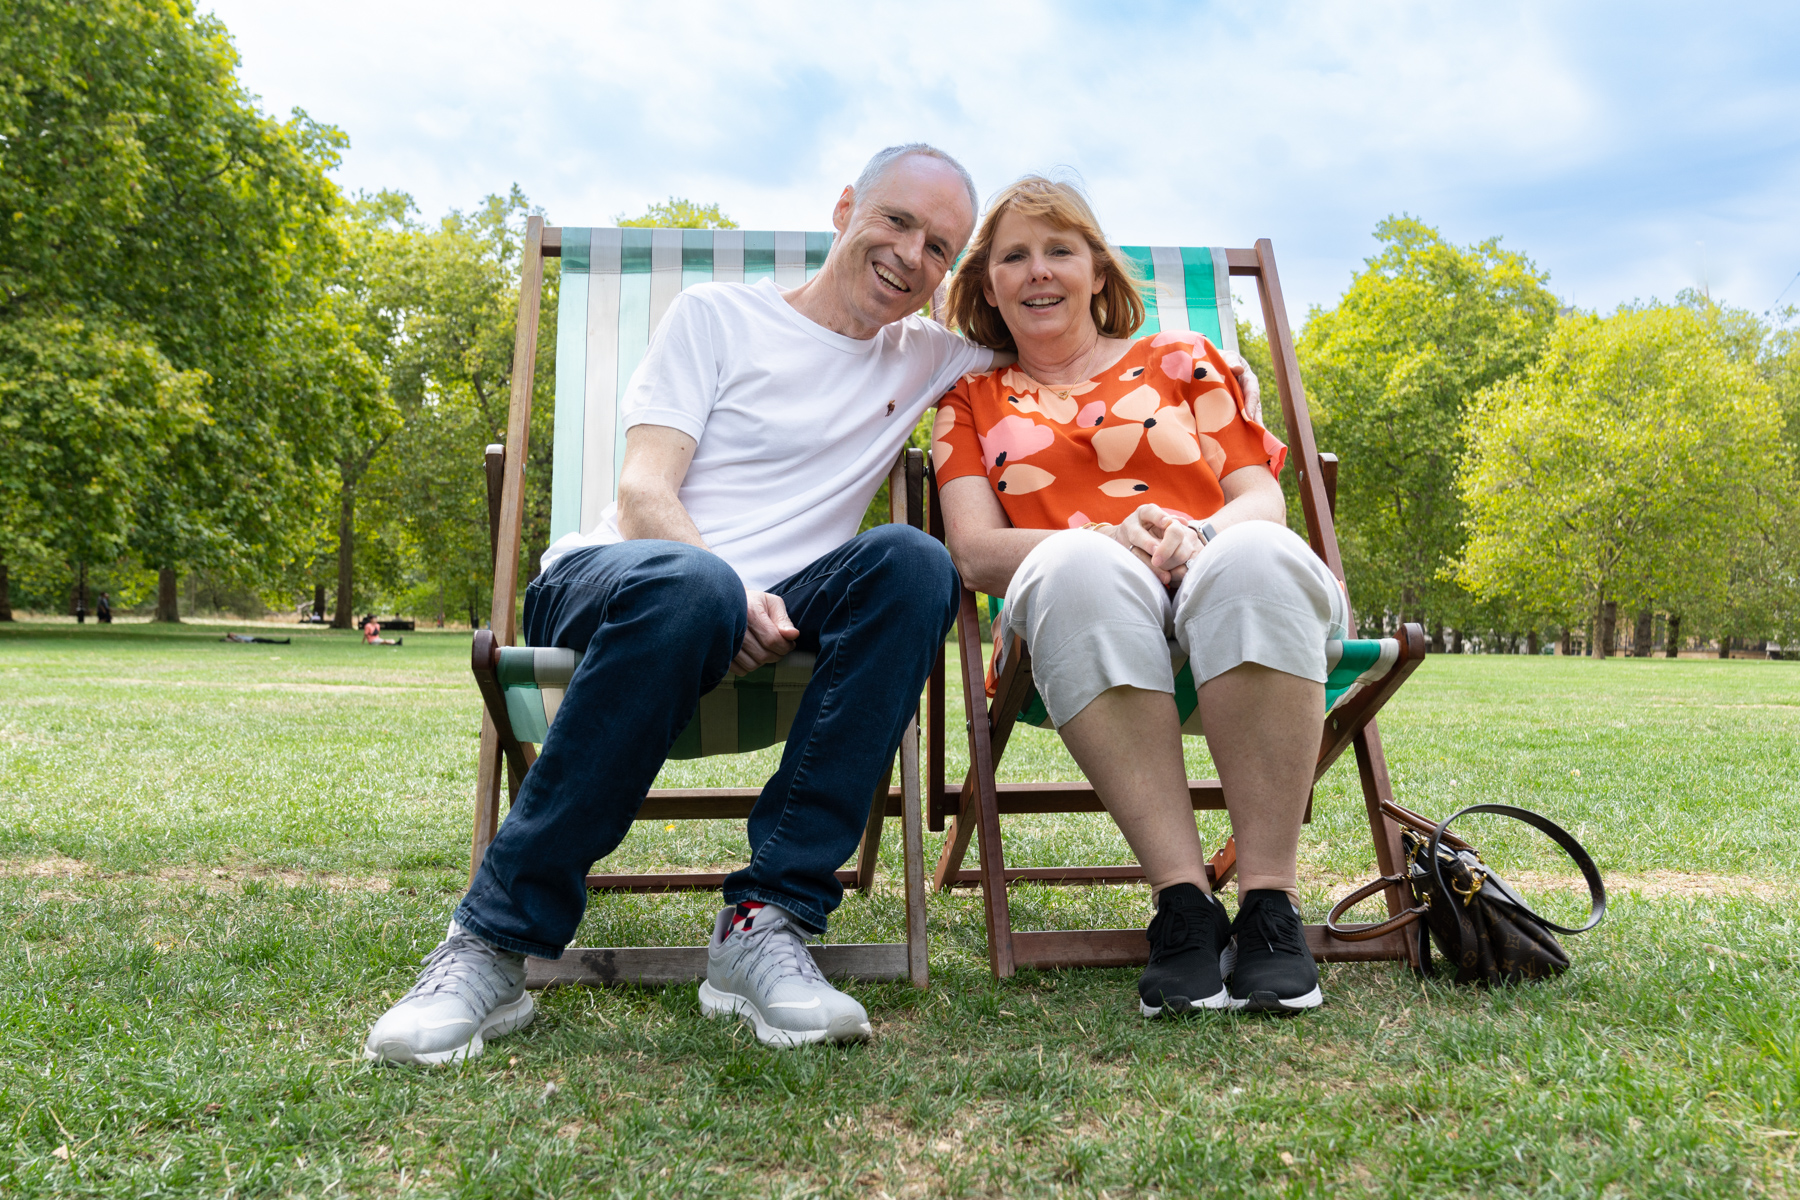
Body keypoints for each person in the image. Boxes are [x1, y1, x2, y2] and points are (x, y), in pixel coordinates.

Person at [364, 143, 996, 1065]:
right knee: (691, 585)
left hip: (776, 609)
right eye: (898, 221)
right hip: (620, 581)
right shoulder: (718, 315)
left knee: (915, 562)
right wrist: (730, 590)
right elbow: (643, 496)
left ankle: (765, 922)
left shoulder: (930, 358)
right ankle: (493, 944)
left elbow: (1062, 338)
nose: (912, 255)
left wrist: (1226, 376)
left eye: (941, 246)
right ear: (845, 206)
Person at [932, 176, 1346, 1017]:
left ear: (1096, 270)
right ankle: (1183, 908)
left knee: (1257, 551)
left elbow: (1260, 497)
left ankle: (1270, 906)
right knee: (1081, 570)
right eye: (1013, 255)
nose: (1038, 271)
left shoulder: (1183, 357)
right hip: (1078, 607)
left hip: (1220, 582)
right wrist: (1102, 539)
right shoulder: (968, 400)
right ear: (987, 284)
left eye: (1060, 250)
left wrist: (1199, 535)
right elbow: (974, 554)